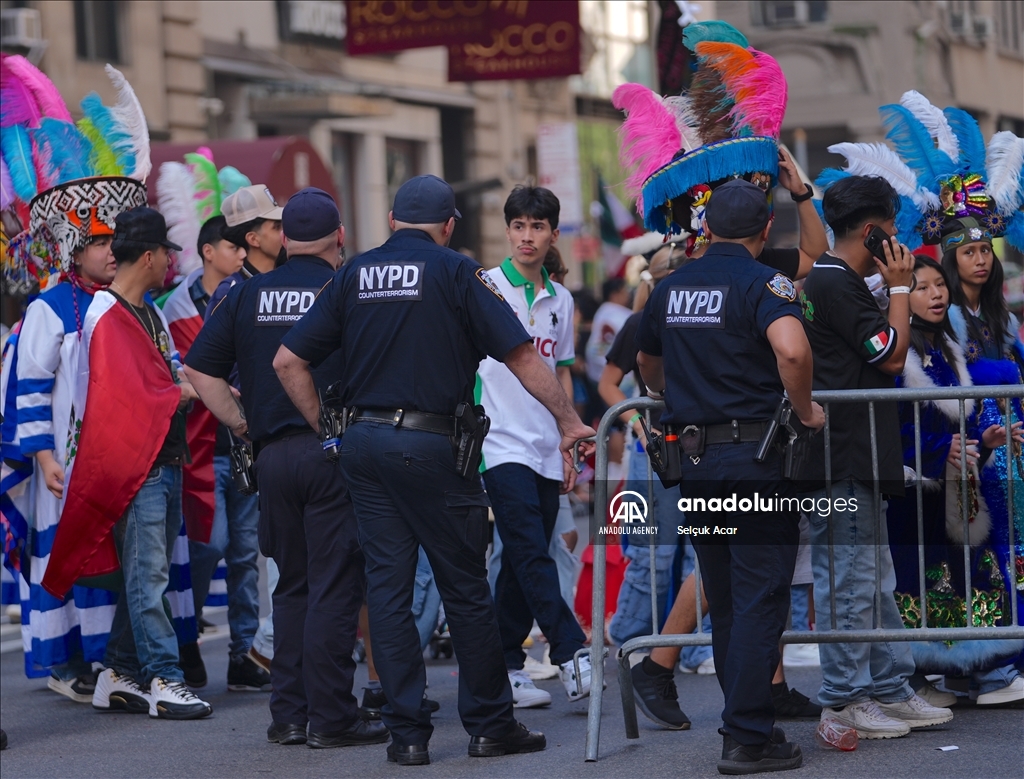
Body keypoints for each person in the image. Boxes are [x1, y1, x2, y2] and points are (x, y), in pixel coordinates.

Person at [273, 174, 596, 765]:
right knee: (466, 588)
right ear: (449, 227)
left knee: (389, 592)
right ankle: (490, 726)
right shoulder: (457, 271)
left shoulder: (353, 273)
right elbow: (522, 355)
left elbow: (287, 360)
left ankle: (407, 737)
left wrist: (329, 430)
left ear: (392, 221)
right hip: (434, 447)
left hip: (364, 447)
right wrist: (569, 421)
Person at [184, 188, 385, 748]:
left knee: (291, 588)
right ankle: (333, 717)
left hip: (272, 458)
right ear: (339, 237)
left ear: (285, 239)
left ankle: (290, 715)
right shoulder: (344, 287)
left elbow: (200, 372)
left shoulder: (246, 294)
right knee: (334, 586)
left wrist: (245, 425)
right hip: (331, 451)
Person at [636, 180, 823, 774]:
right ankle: (746, 736)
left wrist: (667, 391)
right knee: (761, 596)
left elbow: (646, 362)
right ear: (765, 229)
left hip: (695, 465)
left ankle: (747, 727)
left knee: (729, 598)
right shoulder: (761, 281)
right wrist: (806, 409)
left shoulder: (670, 287)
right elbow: (792, 351)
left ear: (707, 228)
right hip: (754, 463)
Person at [796, 175, 954, 739]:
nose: (900, 237)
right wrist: (899, 289)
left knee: (875, 579)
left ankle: (890, 686)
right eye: (893, 225)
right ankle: (842, 698)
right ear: (872, 229)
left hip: (860, 454)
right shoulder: (834, 282)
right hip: (841, 456)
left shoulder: (839, 277)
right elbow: (888, 356)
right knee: (848, 581)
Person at [40, 207, 212, 719]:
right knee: (147, 576)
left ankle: (116, 671)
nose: (169, 263)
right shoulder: (105, 315)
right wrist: (178, 392)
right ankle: (164, 677)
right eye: (165, 253)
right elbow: (123, 396)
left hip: (161, 458)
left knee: (144, 573)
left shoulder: (147, 312)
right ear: (148, 256)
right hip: (138, 465)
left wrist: (178, 388)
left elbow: (163, 377)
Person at [885, 255, 1024, 706]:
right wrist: (935, 451)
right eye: (922, 287)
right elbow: (890, 424)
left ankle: (981, 672)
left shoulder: (947, 347)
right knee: (918, 578)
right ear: (903, 297)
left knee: (967, 574)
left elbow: (955, 429)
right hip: (913, 492)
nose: (937, 293)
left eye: (939, 286)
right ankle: (921, 678)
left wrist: (984, 440)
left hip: (957, 489)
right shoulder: (898, 353)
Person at [476, 186, 591, 709]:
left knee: (525, 563)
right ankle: (571, 650)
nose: (527, 236)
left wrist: (568, 442)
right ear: (507, 230)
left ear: (552, 233)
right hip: (497, 443)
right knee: (528, 550)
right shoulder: (484, 286)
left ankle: (504, 668)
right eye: (518, 226)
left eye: (538, 227)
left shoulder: (562, 300)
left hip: (548, 445)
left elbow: (561, 375)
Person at [159, 212, 269, 692]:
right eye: (233, 248)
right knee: (208, 545)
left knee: (247, 553)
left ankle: (243, 654)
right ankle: (187, 632)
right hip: (201, 449)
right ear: (208, 251)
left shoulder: (250, 293)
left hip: (245, 442)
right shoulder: (174, 308)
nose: (242, 255)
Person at [208, 184, 284, 675]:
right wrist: (239, 418)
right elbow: (206, 366)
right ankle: (259, 648)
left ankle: (269, 646)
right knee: (255, 551)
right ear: (253, 237)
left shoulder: (295, 279)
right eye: (276, 225)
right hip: (254, 442)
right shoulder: (232, 292)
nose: (285, 231)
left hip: (295, 434)